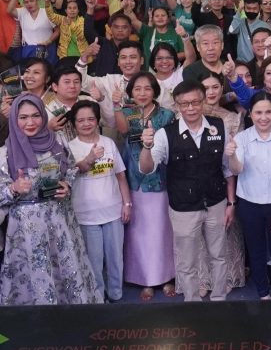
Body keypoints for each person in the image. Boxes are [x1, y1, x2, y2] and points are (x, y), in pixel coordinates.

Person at [139, 79, 236, 302]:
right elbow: (146, 169)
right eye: (184, 104)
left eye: (195, 102)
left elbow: (228, 169)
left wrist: (231, 203)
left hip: (216, 202)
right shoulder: (165, 134)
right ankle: (192, 306)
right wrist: (146, 146)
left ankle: (219, 300)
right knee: (187, 262)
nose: (190, 108)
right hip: (183, 207)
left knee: (219, 257)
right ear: (177, 106)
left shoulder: (218, 127)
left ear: (203, 102)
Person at [0, 94, 100, 305]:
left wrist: (67, 185)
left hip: (60, 221)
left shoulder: (56, 142)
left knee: (67, 271)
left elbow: (71, 169)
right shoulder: (5, 153)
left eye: (36, 115)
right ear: (14, 120)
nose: (30, 122)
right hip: (27, 230)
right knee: (36, 275)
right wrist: (13, 189)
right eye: (23, 117)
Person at [226, 91, 271, 305]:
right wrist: (231, 154)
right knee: (256, 252)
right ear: (250, 114)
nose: (264, 117)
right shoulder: (241, 139)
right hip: (249, 205)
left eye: (268, 112)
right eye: (258, 112)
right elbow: (237, 170)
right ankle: (263, 294)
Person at [116, 72, 176, 300]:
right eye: (137, 89)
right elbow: (122, 131)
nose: (142, 93)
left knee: (162, 232)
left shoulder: (167, 115)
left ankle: (167, 277)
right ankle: (145, 280)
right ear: (131, 92)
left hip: (160, 180)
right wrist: (115, 105)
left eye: (147, 88)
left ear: (155, 91)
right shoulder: (126, 113)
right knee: (138, 233)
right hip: (133, 179)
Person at [67, 100, 132, 303]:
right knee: (93, 261)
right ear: (74, 124)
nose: (86, 124)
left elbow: (121, 176)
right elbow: (75, 171)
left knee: (115, 259)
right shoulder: (69, 148)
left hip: (113, 211)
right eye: (81, 120)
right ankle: (96, 297)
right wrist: (89, 158)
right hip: (86, 214)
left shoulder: (109, 142)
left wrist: (127, 204)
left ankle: (115, 294)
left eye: (91, 119)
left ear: (97, 121)